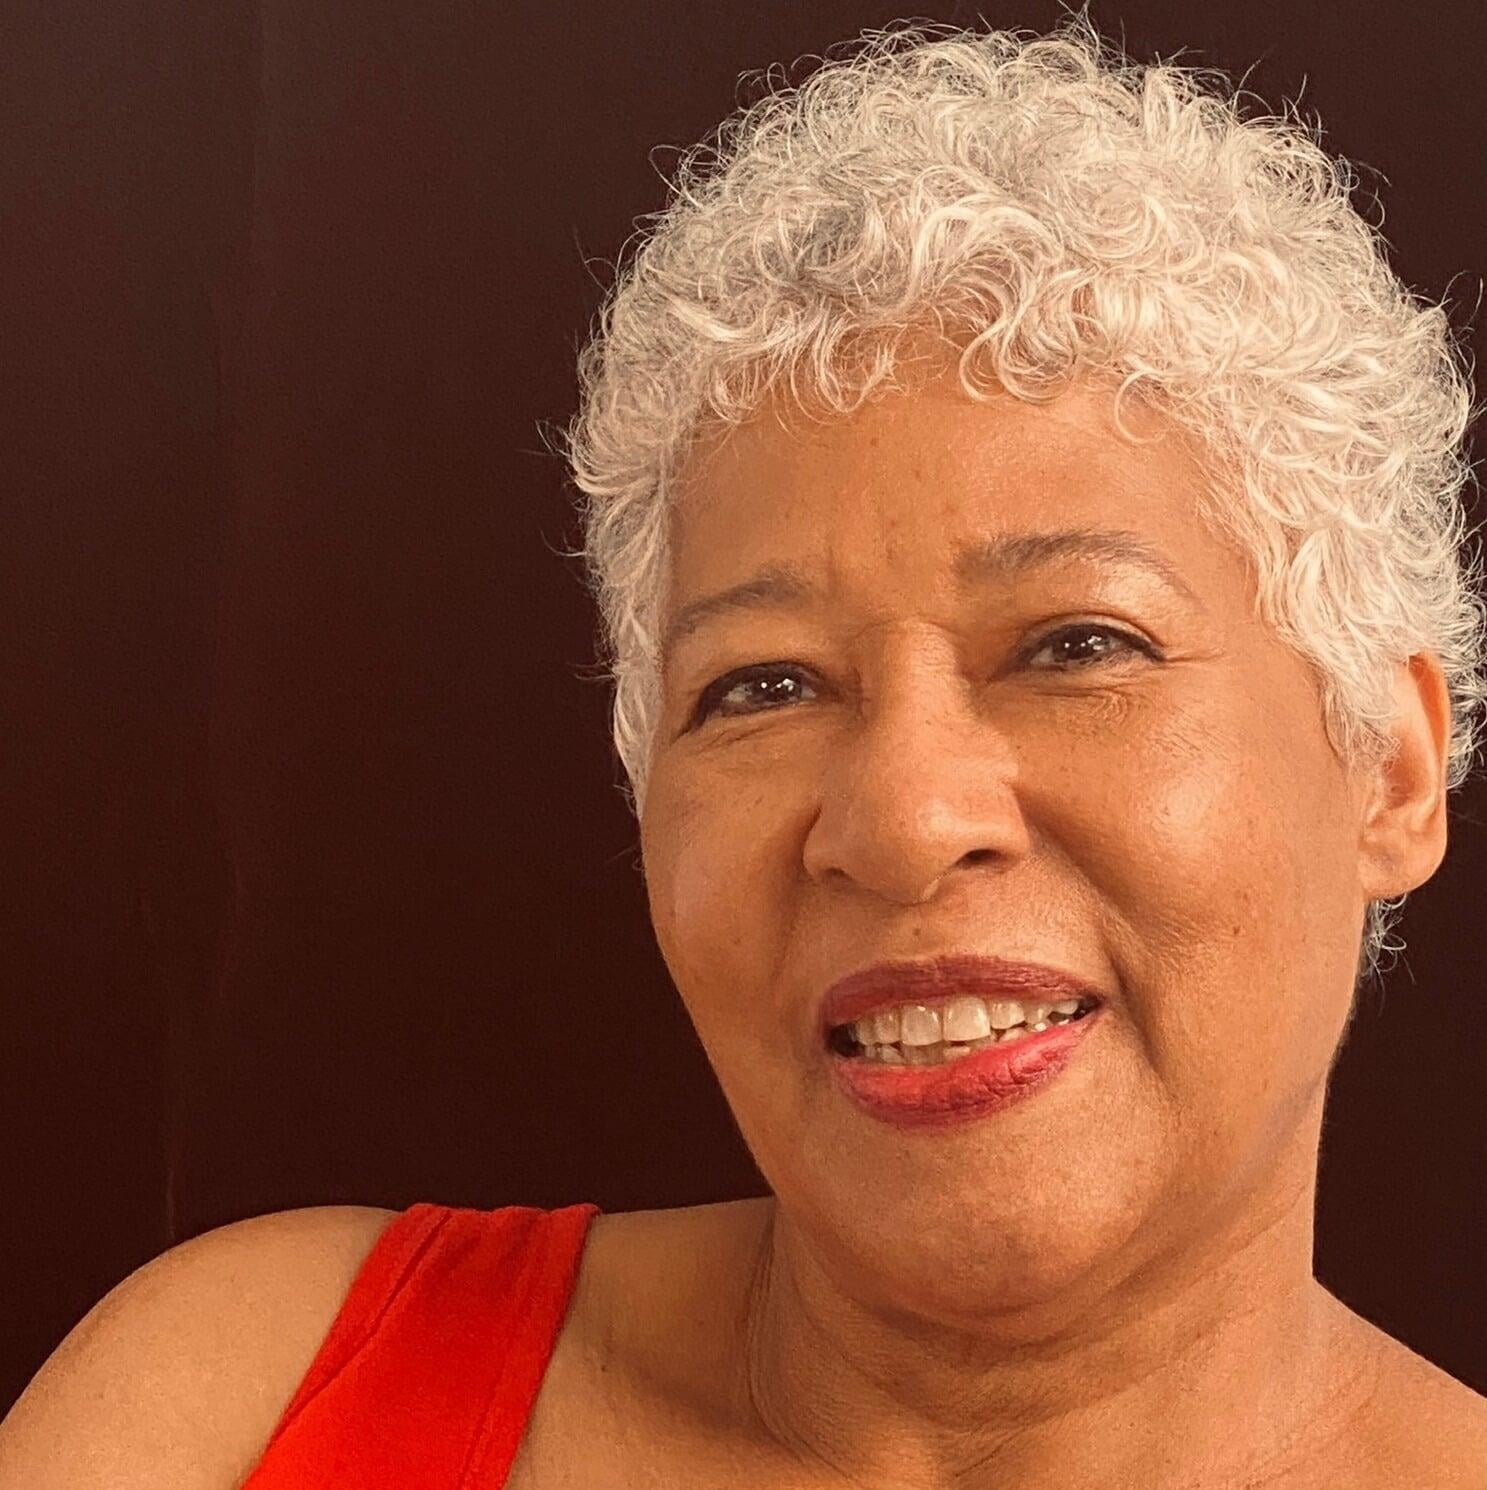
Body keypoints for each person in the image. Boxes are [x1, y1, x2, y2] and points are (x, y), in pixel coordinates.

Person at [4, 12, 1487, 1489]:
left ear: (1390, 768)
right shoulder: (254, 1393)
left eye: (1078, 644)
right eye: (763, 684)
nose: (902, 815)